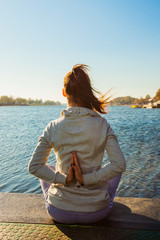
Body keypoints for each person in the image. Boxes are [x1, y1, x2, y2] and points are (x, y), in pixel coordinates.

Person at [28, 64, 126, 224]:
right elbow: (119, 165)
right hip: (96, 213)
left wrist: (64, 179)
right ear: (87, 92)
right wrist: (86, 179)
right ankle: (100, 199)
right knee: (115, 168)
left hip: (59, 212)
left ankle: (62, 193)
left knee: (48, 169)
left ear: (64, 92)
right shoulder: (103, 125)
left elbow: (35, 167)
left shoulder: (53, 126)